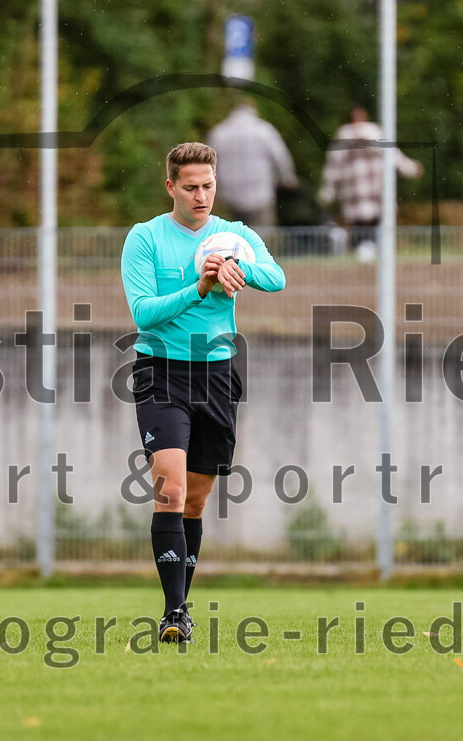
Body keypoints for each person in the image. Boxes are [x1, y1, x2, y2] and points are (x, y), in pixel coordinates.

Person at [120, 142, 286, 642]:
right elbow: (143, 313)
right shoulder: (145, 238)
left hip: (217, 375)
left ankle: (181, 606)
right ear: (171, 186)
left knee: (193, 502)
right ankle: (173, 614)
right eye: (190, 187)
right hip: (161, 373)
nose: (201, 196)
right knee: (168, 488)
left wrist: (237, 269)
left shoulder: (235, 235)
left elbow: (276, 279)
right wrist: (198, 285)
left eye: (208, 186)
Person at [318, 107, 422, 261]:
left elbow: (333, 166)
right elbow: (394, 155)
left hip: (354, 188)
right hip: (376, 186)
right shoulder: (376, 133)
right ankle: (375, 248)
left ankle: (365, 249)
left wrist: (328, 191)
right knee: (377, 219)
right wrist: (410, 168)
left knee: (360, 222)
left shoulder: (343, 137)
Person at [206, 102, 298, 226]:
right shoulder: (264, 130)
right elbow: (281, 157)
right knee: (261, 239)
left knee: (230, 239)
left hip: (229, 197)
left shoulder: (219, 132)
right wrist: (287, 178)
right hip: (260, 195)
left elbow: (207, 164)